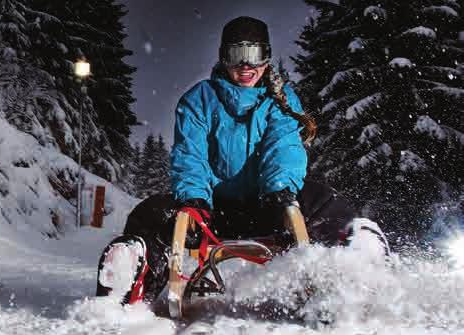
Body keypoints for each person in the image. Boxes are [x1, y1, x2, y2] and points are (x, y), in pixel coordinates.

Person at [96, 16, 388, 303]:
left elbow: (283, 145)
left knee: (323, 201)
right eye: (238, 55)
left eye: (254, 55)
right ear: (224, 57)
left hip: (268, 205)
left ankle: (351, 270)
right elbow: (190, 153)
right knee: (151, 213)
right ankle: (130, 277)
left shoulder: (280, 99)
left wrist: (281, 189)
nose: (246, 66)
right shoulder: (200, 99)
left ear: (267, 57)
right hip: (212, 212)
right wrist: (195, 199)